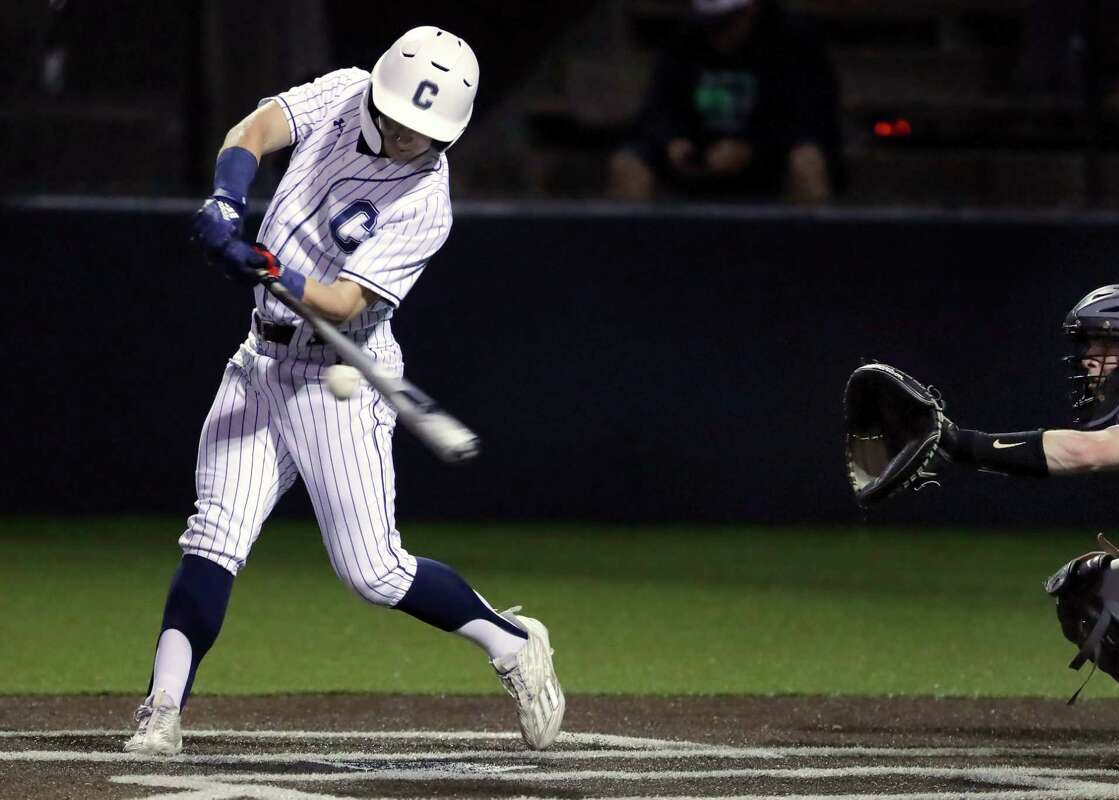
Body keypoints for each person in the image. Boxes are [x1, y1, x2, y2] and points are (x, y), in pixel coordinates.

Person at [122, 26, 564, 756]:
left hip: (342, 380)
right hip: (260, 364)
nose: (402, 137)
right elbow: (256, 128)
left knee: (374, 571)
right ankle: (162, 710)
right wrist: (228, 202)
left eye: (422, 131)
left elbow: (343, 305)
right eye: (396, 118)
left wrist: (267, 269)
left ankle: (513, 642)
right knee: (212, 538)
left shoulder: (427, 201)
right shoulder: (343, 92)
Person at [932, 283, 1119, 765]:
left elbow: (1083, 453)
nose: (1089, 358)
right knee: (1088, 592)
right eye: (1088, 344)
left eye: (1108, 343)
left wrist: (959, 443)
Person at [608, 0, 840, 204]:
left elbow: (813, 119)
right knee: (628, 164)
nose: (716, 36)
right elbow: (656, 109)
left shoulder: (795, 40)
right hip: (697, 158)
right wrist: (673, 141)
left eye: (726, 23)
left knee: (807, 162)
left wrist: (753, 149)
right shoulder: (684, 39)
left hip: (770, 159)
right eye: (710, 24)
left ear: (751, 10)